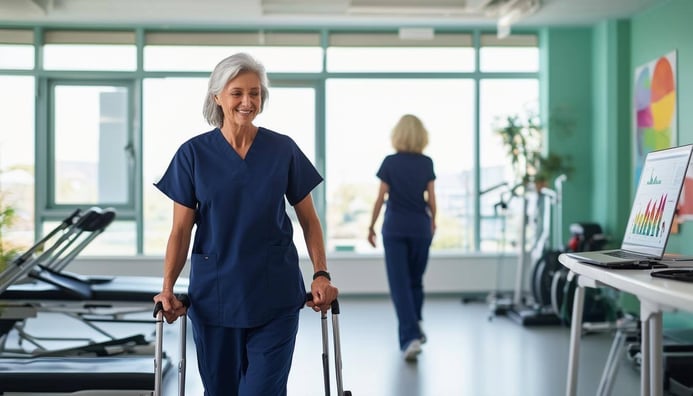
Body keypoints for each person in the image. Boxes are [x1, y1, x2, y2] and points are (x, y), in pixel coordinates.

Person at [153, 52, 339, 396]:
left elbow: (309, 220)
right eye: (237, 92)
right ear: (217, 97)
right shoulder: (192, 154)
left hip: (276, 294)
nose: (247, 101)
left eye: (255, 93)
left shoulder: (283, 149)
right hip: (215, 297)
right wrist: (167, 287)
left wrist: (321, 273)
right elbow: (180, 231)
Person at [367, 114, 436, 362]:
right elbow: (431, 198)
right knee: (415, 281)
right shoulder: (426, 163)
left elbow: (380, 198)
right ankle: (415, 324)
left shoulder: (390, 162)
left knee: (400, 284)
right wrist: (433, 221)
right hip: (420, 227)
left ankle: (410, 338)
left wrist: (371, 226)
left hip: (395, 229)